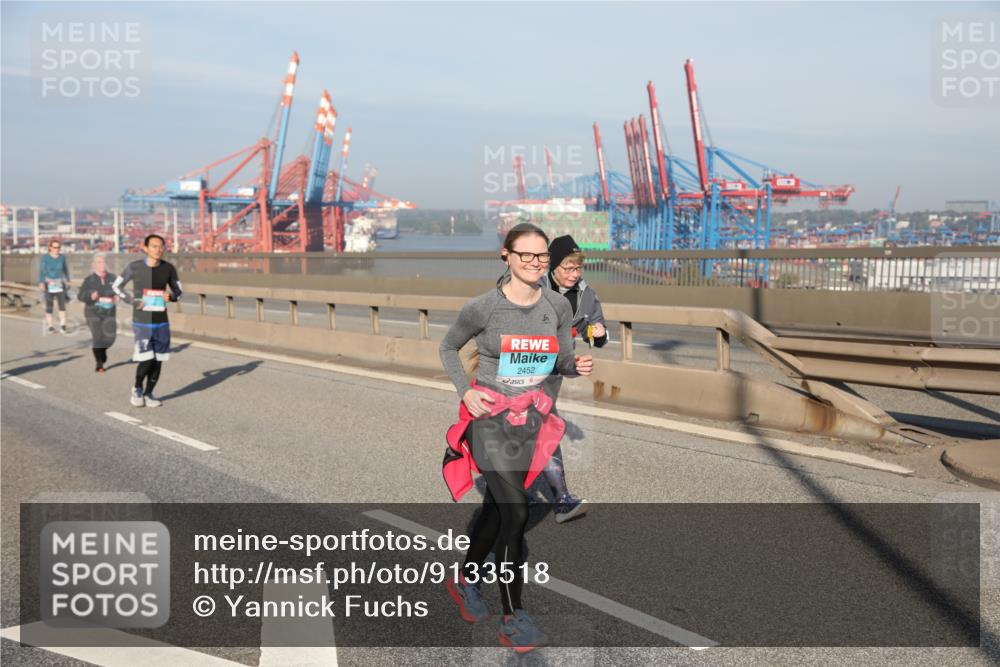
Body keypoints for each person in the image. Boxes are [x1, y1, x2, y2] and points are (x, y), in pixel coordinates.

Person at [439, 223, 593, 652]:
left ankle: (465, 578)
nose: (535, 263)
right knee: (516, 512)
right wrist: (466, 392)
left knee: (496, 508)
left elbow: (558, 359)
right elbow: (448, 348)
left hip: (529, 422)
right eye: (525, 255)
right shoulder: (483, 308)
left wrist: (572, 366)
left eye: (541, 256)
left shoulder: (557, 307)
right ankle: (514, 618)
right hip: (489, 418)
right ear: (505, 257)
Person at [539, 234, 610, 523]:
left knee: (532, 427)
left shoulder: (586, 294)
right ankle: (561, 500)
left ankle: (516, 490)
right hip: (523, 366)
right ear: (553, 266)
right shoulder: (535, 288)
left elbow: (594, 328)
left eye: (578, 269)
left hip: (555, 371)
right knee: (542, 425)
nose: (573, 274)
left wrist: (600, 333)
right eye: (567, 268)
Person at [112, 234, 182, 407]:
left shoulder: (168, 268)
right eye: (154, 246)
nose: (158, 250)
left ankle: (149, 393)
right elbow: (116, 286)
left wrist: (171, 296)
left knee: (158, 360)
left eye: (161, 246)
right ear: (145, 248)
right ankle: (137, 388)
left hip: (161, 322)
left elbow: (179, 291)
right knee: (147, 359)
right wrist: (132, 301)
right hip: (142, 321)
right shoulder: (134, 267)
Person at [78, 254, 119, 372]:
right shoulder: (89, 280)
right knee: (97, 337)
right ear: (94, 265)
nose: (102, 264)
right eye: (99, 262)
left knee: (110, 338)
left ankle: (102, 350)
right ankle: (99, 363)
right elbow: (80, 296)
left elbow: (121, 291)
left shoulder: (113, 278)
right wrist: (90, 296)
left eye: (103, 262)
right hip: (93, 312)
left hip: (109, 312)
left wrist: (117, 296)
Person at [37, 239, 70, 334]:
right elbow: (42, 270)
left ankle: (63, 326)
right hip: (49, 283)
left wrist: (67, 280)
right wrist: (41, 282)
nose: (57, 249)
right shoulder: (45, 258)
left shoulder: (62, 257)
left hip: (60, 283)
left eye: (58, 247)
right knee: (49, 306)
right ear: (50, 248)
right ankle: (50, 326)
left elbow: (65, 269)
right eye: (55, 247)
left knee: (62, 305)